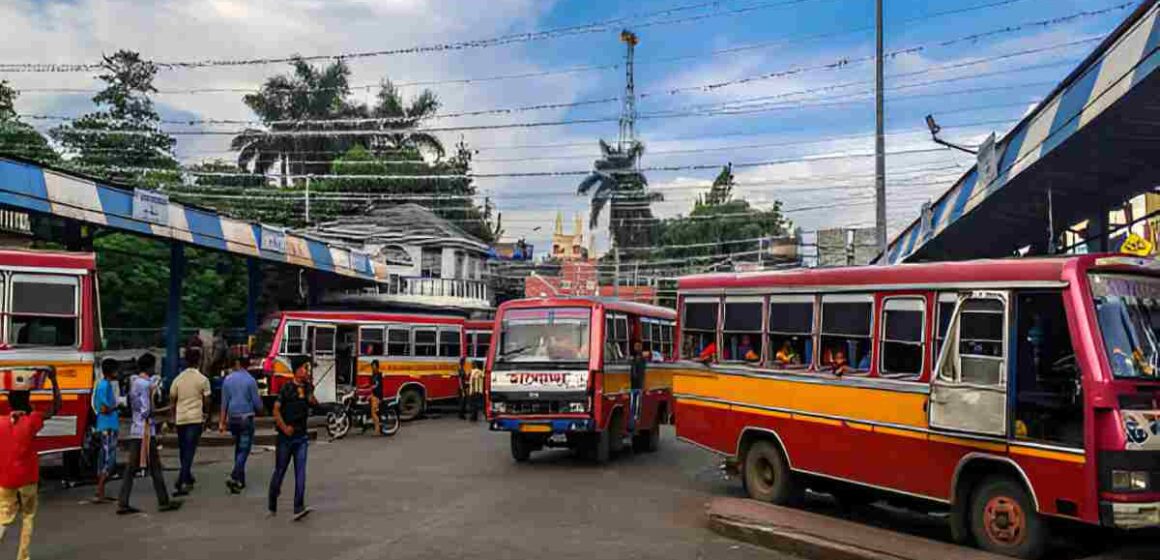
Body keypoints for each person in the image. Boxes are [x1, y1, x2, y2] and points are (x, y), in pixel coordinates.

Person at [1, 368, 60, 560]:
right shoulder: (33, 419)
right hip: (28, 477)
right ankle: (23, 557)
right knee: (28, 517)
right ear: (27, 400)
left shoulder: (1, 422)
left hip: (4, 477)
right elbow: (56, 407)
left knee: (3, 519)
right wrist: (54, 381)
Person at [118, 353, 182, 515]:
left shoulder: (134, 382)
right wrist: (164, 411)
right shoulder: (147, 385)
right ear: (150, 367)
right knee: (154, 467)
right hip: (146, 431)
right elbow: (147, 411)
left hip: (136, 429)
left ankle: (123, 501)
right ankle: (163, 501)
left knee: (131, 468)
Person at [269, 356, 317, 521]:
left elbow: (313, 404)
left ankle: (298, 506)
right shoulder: (286, 388)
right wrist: (284, 427)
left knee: (301, 472)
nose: (307, 371)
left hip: (301, 437)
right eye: (304, 368)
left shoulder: (307, 387)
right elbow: (275, 411)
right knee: (280, 471)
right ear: (296, 370)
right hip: (285, 438)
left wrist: (311, 394)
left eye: (308, 368)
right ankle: (272, 500)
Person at [170, 347, 211, 496]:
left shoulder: (178, 379)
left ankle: (186, 475)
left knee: (183, 449)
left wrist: (173, 416)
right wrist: (206, 415)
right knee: (190, 450)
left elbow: (172, 399)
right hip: (195, 418)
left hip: (181, 418)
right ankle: (182, 479)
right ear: (199, 360)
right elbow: (207, 399)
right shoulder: (202, 379)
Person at [219, 356, 264, 494]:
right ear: (248, 366)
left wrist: (222, 422)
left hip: (233, 418)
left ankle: (240, 479)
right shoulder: (250, 381)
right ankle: (234, 475)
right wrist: (262, 410)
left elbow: (224, 403)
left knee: (238, 447)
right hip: (246, 418)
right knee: (244, 449)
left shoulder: (228, 380)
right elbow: (257, 404)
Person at [92, 359, 121, 504]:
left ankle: (101, 490)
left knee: (106, 457)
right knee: (107, 459)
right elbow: (103, 408)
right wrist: (115, 407)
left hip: (107, 425)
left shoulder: (103, 384)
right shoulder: (104, 386)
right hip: (107, 426)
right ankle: (100, 490)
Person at [630, 341, 648, 429]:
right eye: (636, 346)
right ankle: (633, 421)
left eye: (639, 346)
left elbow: (642, 373)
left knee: (638, 405)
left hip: (638, 385)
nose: (637, 348)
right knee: (632, 405)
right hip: (633, 385)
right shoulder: (632, 359)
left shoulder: (642, 360)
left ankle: (636, 420)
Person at [369, 360, 384, 435]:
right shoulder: (372, 375)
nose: (372, 367)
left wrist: (371, 387)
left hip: (377, 396)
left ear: (377, 366)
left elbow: (376, 385)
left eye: (374, 366)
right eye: (372, 366)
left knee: (373, 413)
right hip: (373, 395)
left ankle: (377, 430)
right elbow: (370, 384)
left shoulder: (379, 375)